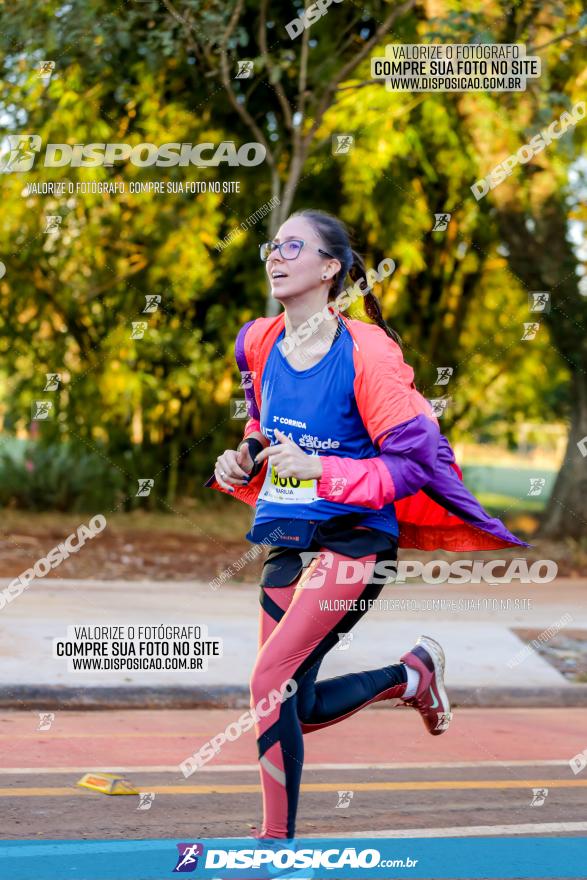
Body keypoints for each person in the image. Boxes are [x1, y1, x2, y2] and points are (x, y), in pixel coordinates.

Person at [205, 208, 527, 840]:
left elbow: (412, 463)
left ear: (330, 269)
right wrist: (240, 461)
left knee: (269, 681)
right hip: (290, 534)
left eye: (293, 246)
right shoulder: (257, 341)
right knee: (295, 697)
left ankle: (275, 842)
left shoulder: (370, 352)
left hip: (357, 539)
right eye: (273, 244)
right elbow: (261, 427)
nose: (275, 254)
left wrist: (322, 470)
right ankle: (411, 675)